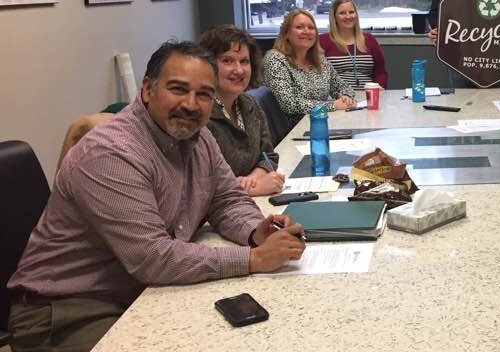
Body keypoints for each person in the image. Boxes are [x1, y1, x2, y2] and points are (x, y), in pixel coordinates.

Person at [6, 41, 306, 351]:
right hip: (67, 310)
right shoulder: (111, 153)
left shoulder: (198, 136)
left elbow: (226, 198)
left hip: (139, 290)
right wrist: (253, 258)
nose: (191, 104)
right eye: (178, 89)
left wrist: (254, 232)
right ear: (148, 89)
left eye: (203, 94)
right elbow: (153, 257)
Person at [199, 24, 285, 196]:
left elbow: (268, 156)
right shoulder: (200, 115)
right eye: (227, 61)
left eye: (244, 61)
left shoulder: (249, 105)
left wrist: (254, 177)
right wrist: (252, 189)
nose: (238, 70)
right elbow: (200, 185)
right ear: (208, 65)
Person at [263, 8, 355, 129]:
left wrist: (345, 97)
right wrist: (332, 105)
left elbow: (343, 87)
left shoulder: (320, 60)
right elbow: (289, 103)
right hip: (293, 132)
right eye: (300, 27)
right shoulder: (275, 59)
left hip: (322, 123)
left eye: (311, 28)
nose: (306, 31)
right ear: (286, 33)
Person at [317, 0, 388, 89]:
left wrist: (379, 87)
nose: (348, 16)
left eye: (351, 12)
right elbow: (317, 76)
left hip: (368, 97)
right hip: (338, 99)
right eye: (342, 13)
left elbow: (381, 73)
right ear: (334, 17)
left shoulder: (369, 40)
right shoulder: (323, 41)